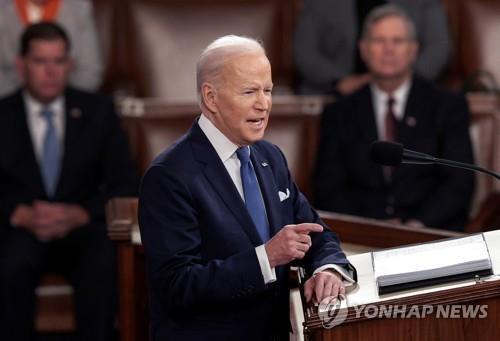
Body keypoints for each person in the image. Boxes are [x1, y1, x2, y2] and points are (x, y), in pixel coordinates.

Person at [138, 35, 356, 340]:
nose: (264, 104)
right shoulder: (169, 176)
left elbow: (315, 233)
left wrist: (328, 270)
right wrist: (265, 258)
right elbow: (177, 285)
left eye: (267, 91)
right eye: (249, 91)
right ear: (211, 97)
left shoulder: (271, 157)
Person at [0, 22, 137, 340]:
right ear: (21, 66)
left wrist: (81, 213)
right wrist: (17, 213)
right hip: (20, 229)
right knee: (9, 266)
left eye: (59, 61)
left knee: (103, 262)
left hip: (81, 228)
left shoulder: (99, 111)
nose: (51, 72)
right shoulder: (3, 115)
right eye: (40, 61)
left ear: (70, 65)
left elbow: (125, 183)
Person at [313, 5, 474, 231]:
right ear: (363, 50)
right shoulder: (339, 113)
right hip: (360, 238)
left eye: (397, 41)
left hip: (430, 234)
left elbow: (459, 182)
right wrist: (371, 229)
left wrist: (414, 226)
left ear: (413, 50)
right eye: (379, 41)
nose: (388, 49)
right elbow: (328, 187)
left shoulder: (448, 106)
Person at [293, 0, 450, 95]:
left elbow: (438, 48)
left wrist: (402, 82)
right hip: (336, 93)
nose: (388, 48)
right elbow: (304, 52)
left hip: (408, 90)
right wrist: (341, 81)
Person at [0, 0, 103, 96]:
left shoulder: (79, 7)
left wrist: (60, 105)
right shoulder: (3, 8)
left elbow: (89, 72)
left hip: (66, 104)